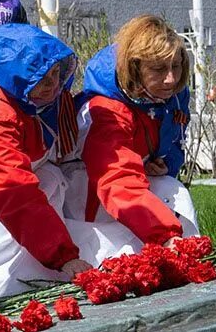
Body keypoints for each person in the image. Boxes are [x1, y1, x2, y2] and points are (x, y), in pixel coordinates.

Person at [0, 23, 132, 305]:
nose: (54, 85)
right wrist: (64, 257)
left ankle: (21, 274)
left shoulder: (29, 94)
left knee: (48, 183)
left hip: (2, 174)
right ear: (18, 80)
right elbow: (14, 194)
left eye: (56, 74)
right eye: (44, 80)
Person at [79, 15, 200, 246]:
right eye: (158, 69)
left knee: (173, 191)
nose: (171, 79)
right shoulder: (107, 109)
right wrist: (165, 236)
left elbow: (174, 138)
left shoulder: (172, 96)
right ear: (134, 67)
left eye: (176, 66)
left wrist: (164, 163)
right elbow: (116, 178)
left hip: (137, 189)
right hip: (97, 195)